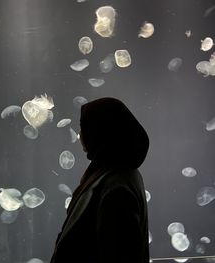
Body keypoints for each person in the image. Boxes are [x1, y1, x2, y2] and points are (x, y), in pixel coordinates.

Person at [50, 97, 150, 263]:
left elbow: (117, 253)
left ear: (100, 130)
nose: (79, 134)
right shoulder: (114, 173)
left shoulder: (117, 184)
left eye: (84, 127)